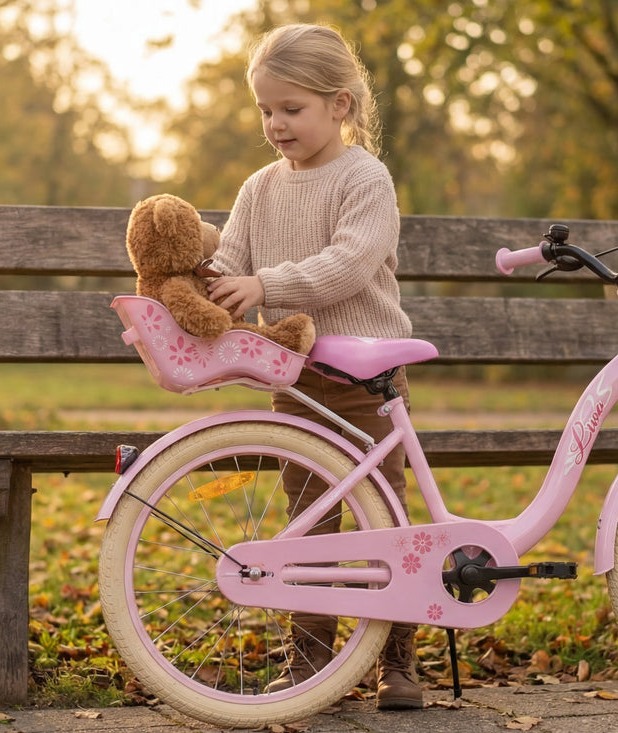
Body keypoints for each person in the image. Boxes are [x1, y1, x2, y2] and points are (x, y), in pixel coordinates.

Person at [206, 23, 421, 711]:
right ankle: (310, 659)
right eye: (266, 110)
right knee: (307, 520)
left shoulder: (366, 178)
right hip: (296, 380)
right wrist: (179, 298)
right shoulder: (258, 189)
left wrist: (268, 286)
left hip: (368, 380)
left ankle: (397, 658)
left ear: (341, 104)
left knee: (382, 518)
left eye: (290, 108)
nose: (275, 124)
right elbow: (228, 269)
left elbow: (350, 263)